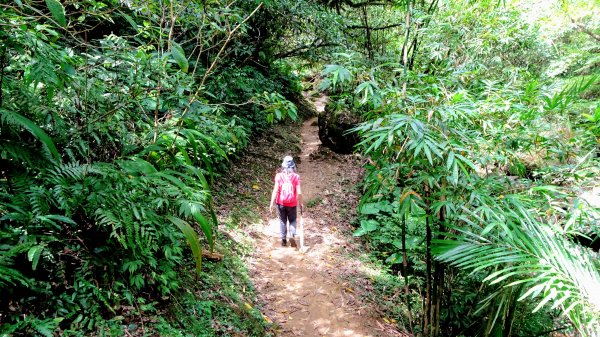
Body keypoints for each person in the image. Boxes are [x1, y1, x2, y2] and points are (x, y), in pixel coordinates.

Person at [270, 155, 303, 247]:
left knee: (282, 221)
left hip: (281, 203)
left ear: (283, 166)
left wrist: (271, 203)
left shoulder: (279, 176)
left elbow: (275, 190)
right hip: (292, 203)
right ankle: (292, 235)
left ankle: (283, 240)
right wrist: (301, 202)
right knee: (292, 220)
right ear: (293, 166)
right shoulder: (296, 177)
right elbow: (299, 192)